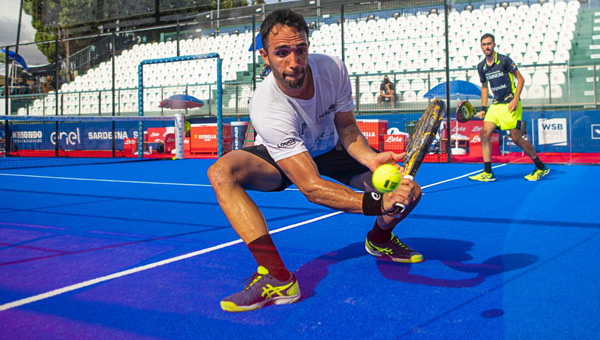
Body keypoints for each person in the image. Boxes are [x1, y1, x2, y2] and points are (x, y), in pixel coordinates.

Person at [207, 9, 423, 312]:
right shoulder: (266, 105)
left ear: (308, 46)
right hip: (282, 155)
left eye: (300, 50)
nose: (294, 62)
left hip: (331, 147)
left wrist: (372, 159)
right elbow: (310, 186)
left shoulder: (333, 69)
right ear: (264, 56)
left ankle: (379, 238)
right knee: (221, 172)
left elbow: (347, 128)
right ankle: (278, 277)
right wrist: (377, 202)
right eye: (281, 53)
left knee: (410, 192)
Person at [469, 33, 549, 182]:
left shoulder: (505, 60)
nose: (487, 46)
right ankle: (488, 172)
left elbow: (520, 79)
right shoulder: (481, 67)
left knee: (516, 138)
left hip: (511, 103)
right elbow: (484, 87)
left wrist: (516, 99)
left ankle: (540, 167)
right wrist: (483, 109)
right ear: (481, 47)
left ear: (494, 45)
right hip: (496, 105)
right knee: (484, 134)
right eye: (484, 44)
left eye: (489, 43)